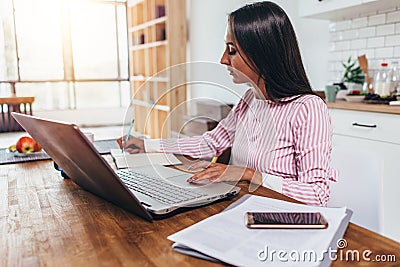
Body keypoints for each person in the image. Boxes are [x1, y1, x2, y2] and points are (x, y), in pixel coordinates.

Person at [118, 1, 337, 207]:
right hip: (244, 206)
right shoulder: (250, 100)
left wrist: (248, 173)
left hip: (282, 219)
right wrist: (147, 145)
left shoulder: (308, 108)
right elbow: (210, 143)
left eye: (231, 50)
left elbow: (318, 196)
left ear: (262, 53)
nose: (223, 59)